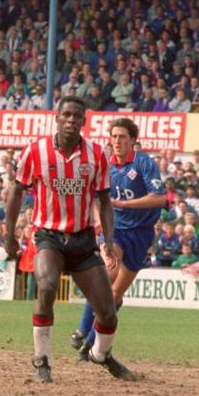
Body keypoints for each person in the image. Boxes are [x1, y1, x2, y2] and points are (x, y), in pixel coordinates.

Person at [4, 96, 134, 383]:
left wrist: (109, 238)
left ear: (84, 121)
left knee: (108, 312)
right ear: (57, 117)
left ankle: (100, 355)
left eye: (77, 116)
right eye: (66, 115)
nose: (71, 120)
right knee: (47, 287)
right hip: (48, 236)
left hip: (83, 240)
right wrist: (8, 233)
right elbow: (16, 190)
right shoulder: (35, 151)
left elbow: (104, 199)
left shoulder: (97, 155)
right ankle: (42, 361)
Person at [69, 117, 166, 360]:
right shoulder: (105, 165)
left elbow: (159, 198)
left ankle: (90, 345)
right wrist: (98, 220)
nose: (117, 141)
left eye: (122, 137)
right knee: (105, 274)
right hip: (116, 229)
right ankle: (83, 331)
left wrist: (123, 203)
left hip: (141, 234)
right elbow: (94, 197)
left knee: (114, 294)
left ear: (133, 140)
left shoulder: (144, 164)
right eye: (114, 137)